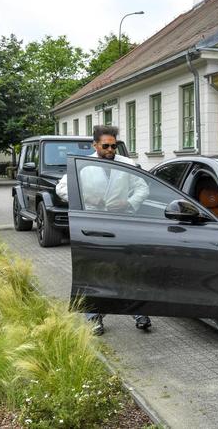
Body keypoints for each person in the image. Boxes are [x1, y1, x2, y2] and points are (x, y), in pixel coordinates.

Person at [56, 125, 151, 336]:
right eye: (106, 146)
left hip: (123, 223)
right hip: (94, 225)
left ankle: (138, 312)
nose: (110, 150)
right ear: (95, 145)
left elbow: (143, 188)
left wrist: (128, 202)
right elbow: (61, 188)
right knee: (95, 272)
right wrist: (86, 198)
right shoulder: (83, 165)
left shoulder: (127, 164)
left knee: (128, 269)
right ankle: (93, 316)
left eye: (113, 146)